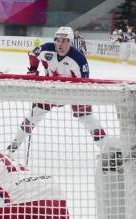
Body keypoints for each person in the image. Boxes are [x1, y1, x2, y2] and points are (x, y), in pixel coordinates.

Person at [7, 26, 108, 155]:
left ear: (70, 42)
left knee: (87, 118)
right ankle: (15, 143)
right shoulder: (47, 49)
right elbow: (33, 54)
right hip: (52, 89)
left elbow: (84, 84)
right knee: (35, 114)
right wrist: (33, 70)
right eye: (58, 40)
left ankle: (106, 149)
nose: (60, 44)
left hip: (73, 92)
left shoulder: (79, 59)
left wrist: (74, 97)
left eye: (64, 41)